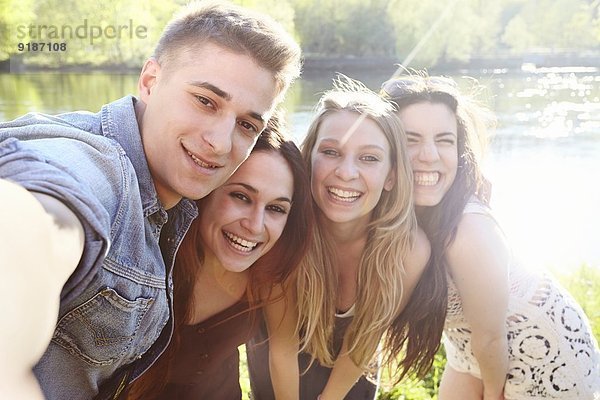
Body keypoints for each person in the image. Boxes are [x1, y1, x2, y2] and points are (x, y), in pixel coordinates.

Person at [0, 1, 301, 399]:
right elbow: (34, 212)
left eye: (246, 124)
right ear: (150, 80)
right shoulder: (96, 168)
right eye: (206, 101)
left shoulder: (174, 209)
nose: (221, 142)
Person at [382, 73, 600, 400]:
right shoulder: (403, 211)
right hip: (472, 348)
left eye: (444, 140)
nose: (429, 154)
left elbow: (492, 339)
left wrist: (493, 393)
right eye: (411, 139)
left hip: (541, 352)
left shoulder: (469, 230)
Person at [247, 76, 434, 400]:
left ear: (391, 176)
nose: (346, 173)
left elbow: (366, 338)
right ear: (309, 159)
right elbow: (282, 349)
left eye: (369, 158)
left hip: (351, 372)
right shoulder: (285, 233)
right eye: (331, 152)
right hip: (280, 371)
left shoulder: (408, 248)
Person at [122, 116, 313, 400]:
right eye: (241, 196)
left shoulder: (269, 271)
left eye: (275, 208)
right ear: (207, 189)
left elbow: (283, 352)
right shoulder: (148, 255)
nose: (255, 225)